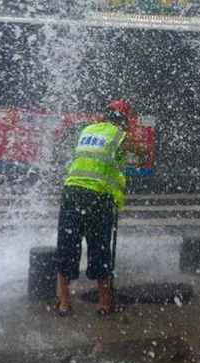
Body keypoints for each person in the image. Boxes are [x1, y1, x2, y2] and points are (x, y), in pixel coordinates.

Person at [56, 100, 145, 316]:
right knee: (99, 248)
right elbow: (142, 155)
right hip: (97, 197)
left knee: (67, 246)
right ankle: (104, 303)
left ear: (104, 116)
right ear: (124, 121)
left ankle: (64, 303)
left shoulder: (87, 130)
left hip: (71, 192)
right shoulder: (119, 135)